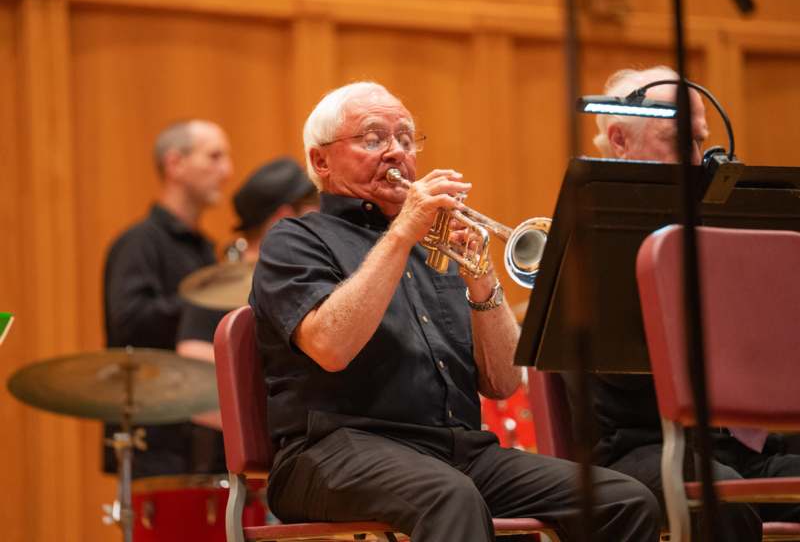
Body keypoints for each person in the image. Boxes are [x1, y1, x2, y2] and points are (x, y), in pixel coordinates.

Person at [249, 81, 661, 541]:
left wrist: (481, 276)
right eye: (372, 138)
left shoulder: (437, 250)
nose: (395, 152)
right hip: (330, 451)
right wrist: (403, 233)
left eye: (405, 139)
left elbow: (503, 382)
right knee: (451, 496)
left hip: (454, 451)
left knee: (623, 500)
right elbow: (329, 346)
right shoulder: (296, 240)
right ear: (321, 161)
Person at [587, 65, 800, 541]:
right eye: (682, 142)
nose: (701, 160)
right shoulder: (592, 236)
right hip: (637, 445)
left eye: (703, 141)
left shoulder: (716, 222)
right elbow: (620, 372)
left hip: (735, 444)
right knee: (724, 499)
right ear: (620, 139)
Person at [103, 119, 233, 477]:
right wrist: (201, 305)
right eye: (214, 157)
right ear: (175, 164)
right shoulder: (139, 243)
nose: (227, 171)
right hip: (157, 436)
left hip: (202, 432)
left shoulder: (205, 249)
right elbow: (130, 320)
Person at [175, 157, 318, 472]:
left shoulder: (310, 274)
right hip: (242, 463)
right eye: (314, 208)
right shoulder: (219, 286)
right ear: (283, 218)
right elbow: (191, 365)